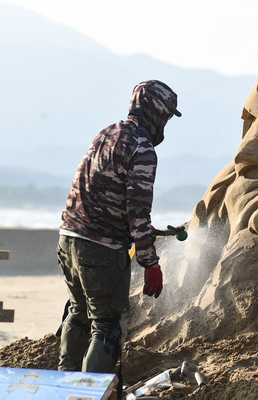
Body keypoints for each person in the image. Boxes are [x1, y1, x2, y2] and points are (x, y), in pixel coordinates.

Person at [56, 80, 181, 373]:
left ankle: (62, 387)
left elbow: (102, 192)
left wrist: (135, 231)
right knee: (106, 327)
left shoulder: (107, 133)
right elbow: (138, 212)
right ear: (157, 112)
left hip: (68, 239)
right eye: (165, 116)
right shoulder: (143, 148)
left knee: (78, 313)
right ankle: (90, 394)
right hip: (101, 251)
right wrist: (150, 264)